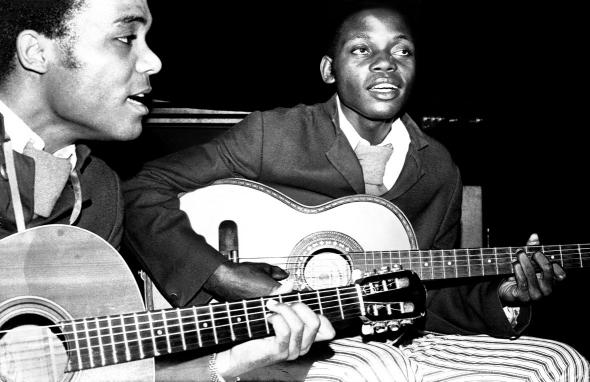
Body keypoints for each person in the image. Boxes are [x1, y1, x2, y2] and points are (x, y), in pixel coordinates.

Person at [123, 1, 590, 381]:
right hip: (278, 337)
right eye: (362, 50)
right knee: (382, 372)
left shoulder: (437, 167)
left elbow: (430, 295)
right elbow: (144, 188)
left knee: (563, 362)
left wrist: (505, 296)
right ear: (329, 69)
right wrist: (222, 275)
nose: (385, 62)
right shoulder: (276, 134)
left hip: (392, 338)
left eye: (402, 51)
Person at [0, 0, 335, 381]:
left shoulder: (101, 191)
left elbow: (106, 372)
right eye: (126, 38)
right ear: (37, 52)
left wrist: (234, 362)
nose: (153, 61)